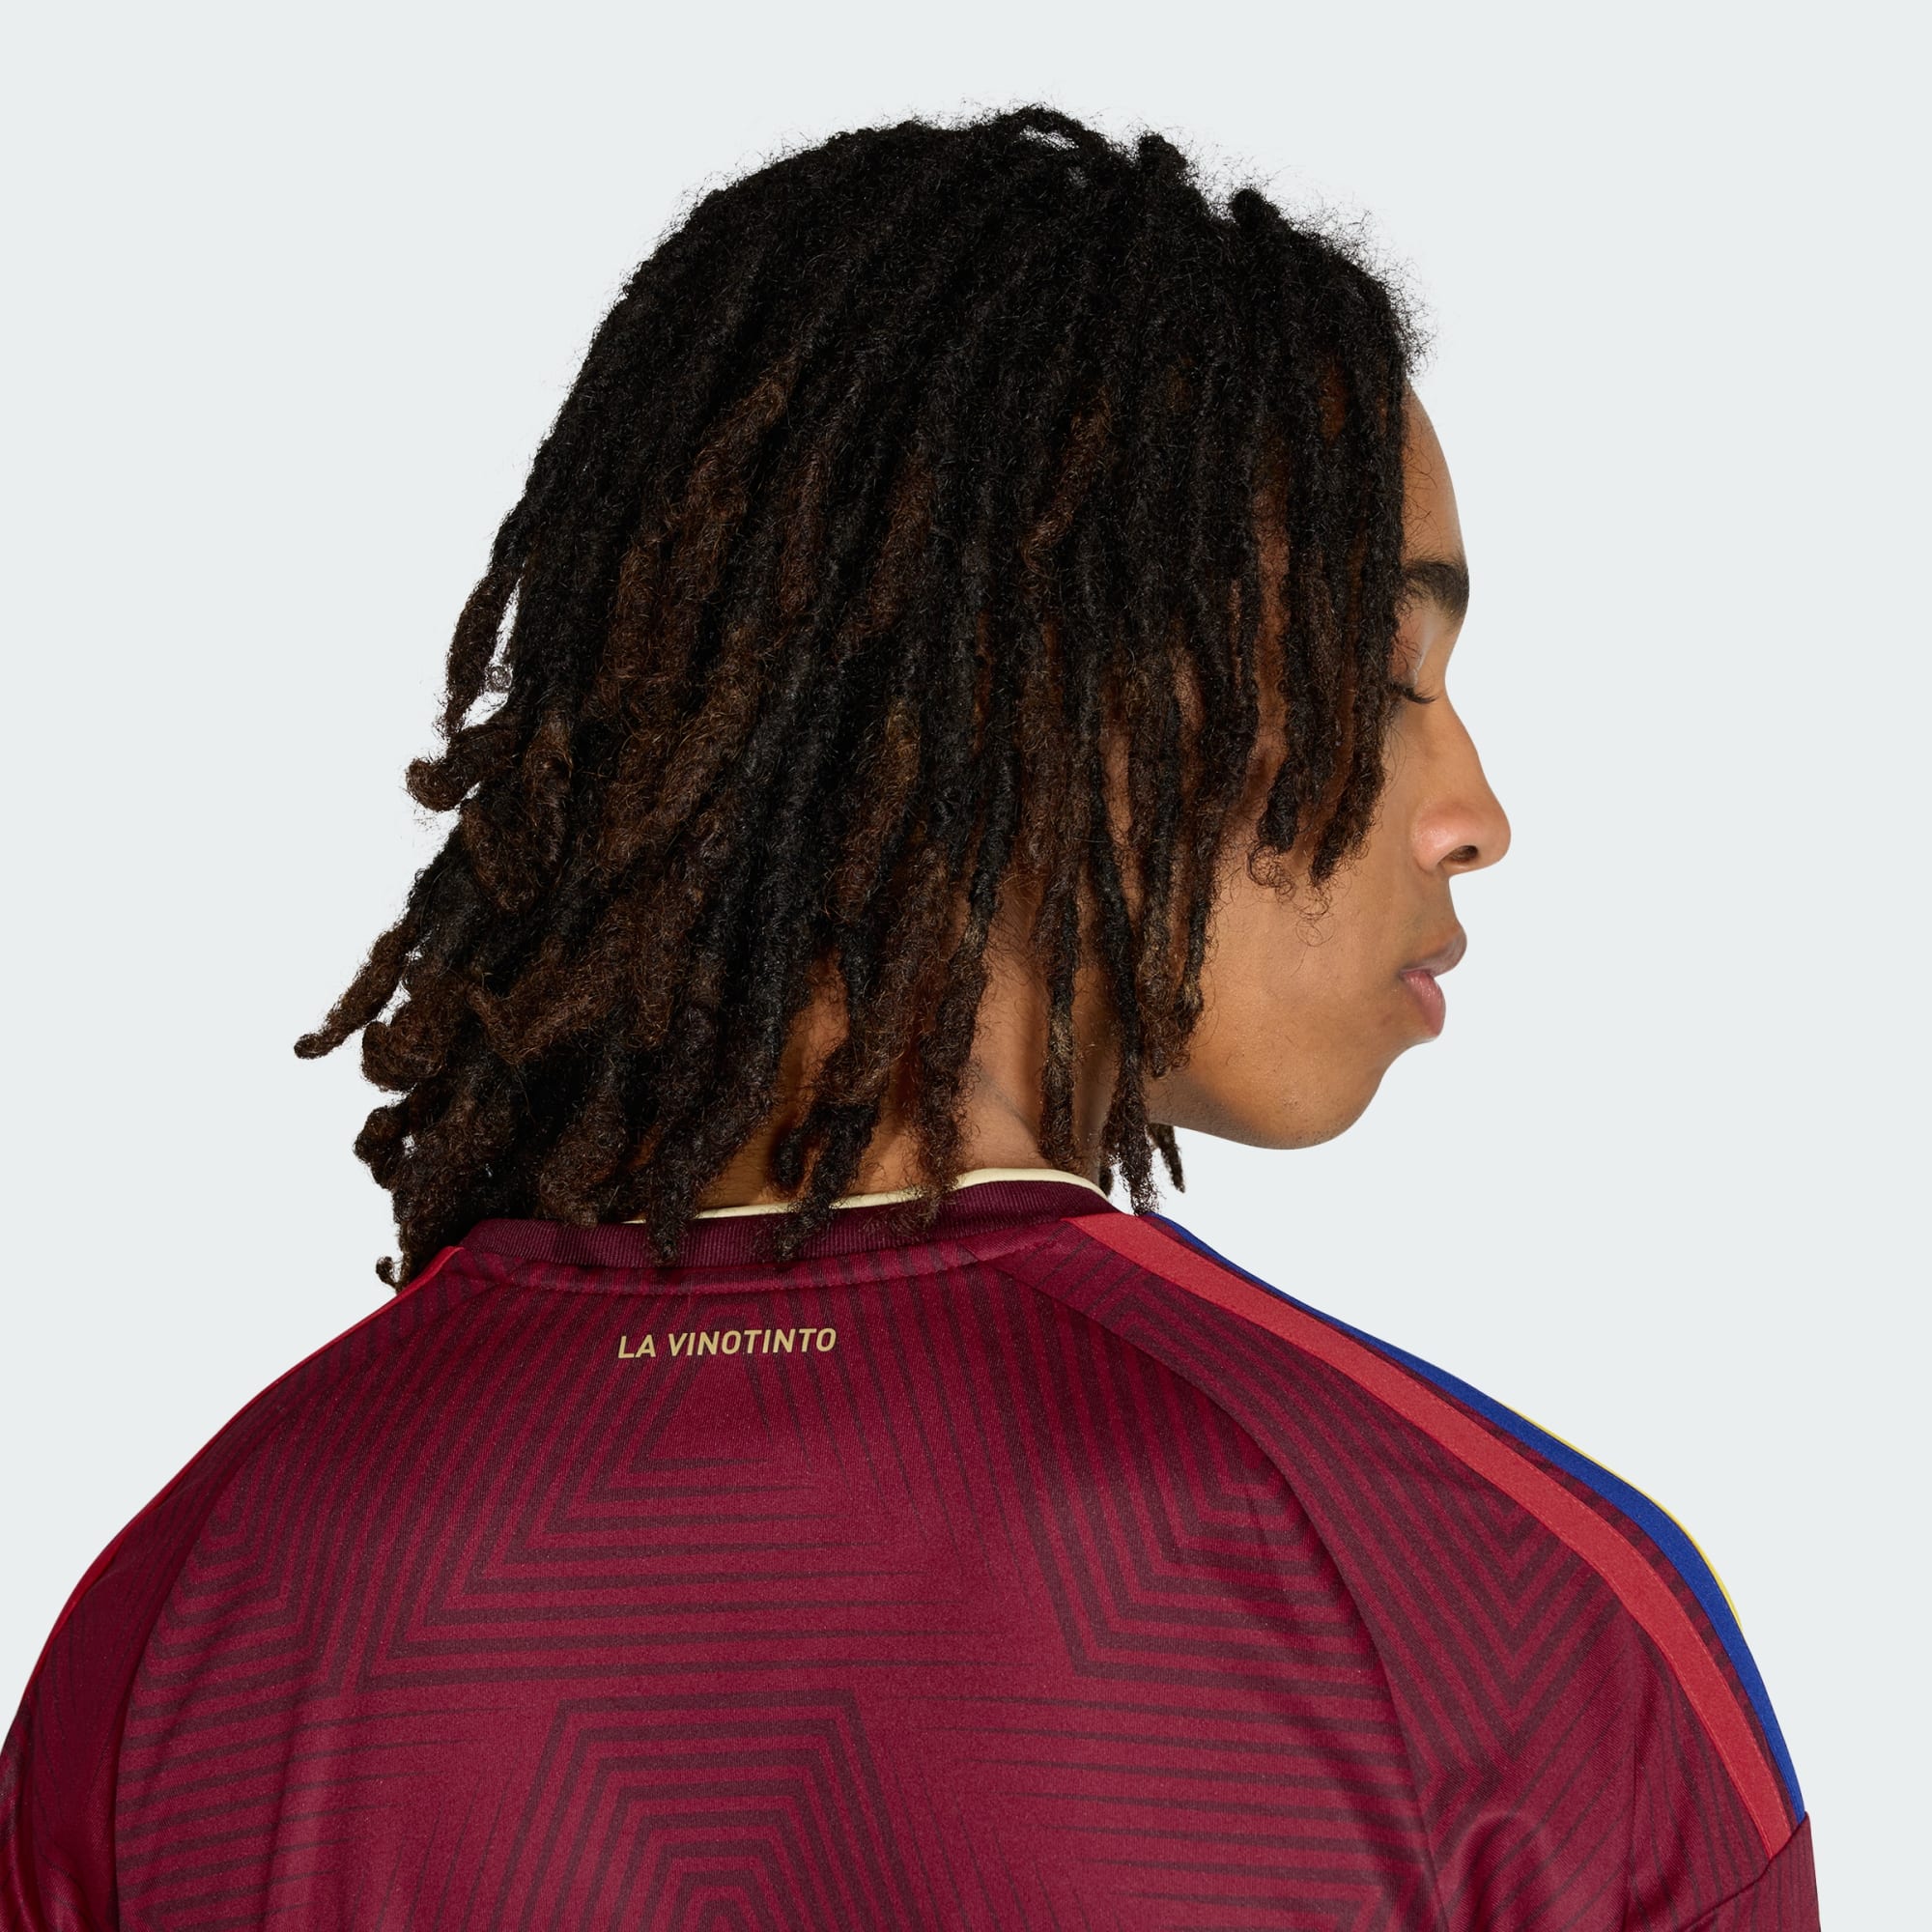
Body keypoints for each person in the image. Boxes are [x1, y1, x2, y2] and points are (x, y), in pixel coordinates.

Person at [0, 106, 1817, 1930]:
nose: (1475, 812)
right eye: (1389, 665)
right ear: (1058, 662)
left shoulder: (180, 1635)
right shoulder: (1500, 1626)